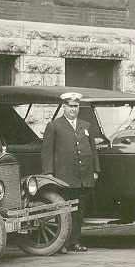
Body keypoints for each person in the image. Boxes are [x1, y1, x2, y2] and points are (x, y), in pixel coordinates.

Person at [41, 91, 98, 253]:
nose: (74, 110)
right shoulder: (54, 126)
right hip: (64, 177)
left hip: (83, 176)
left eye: (76, 106)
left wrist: (95, 170)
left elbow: (93, 150)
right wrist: (48, 173)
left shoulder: (85, 125)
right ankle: (62, 243)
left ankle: (75, 242)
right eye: (70, 106)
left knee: (80, 211)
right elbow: (47, 151)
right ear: (64, 107)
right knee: (64, 211)